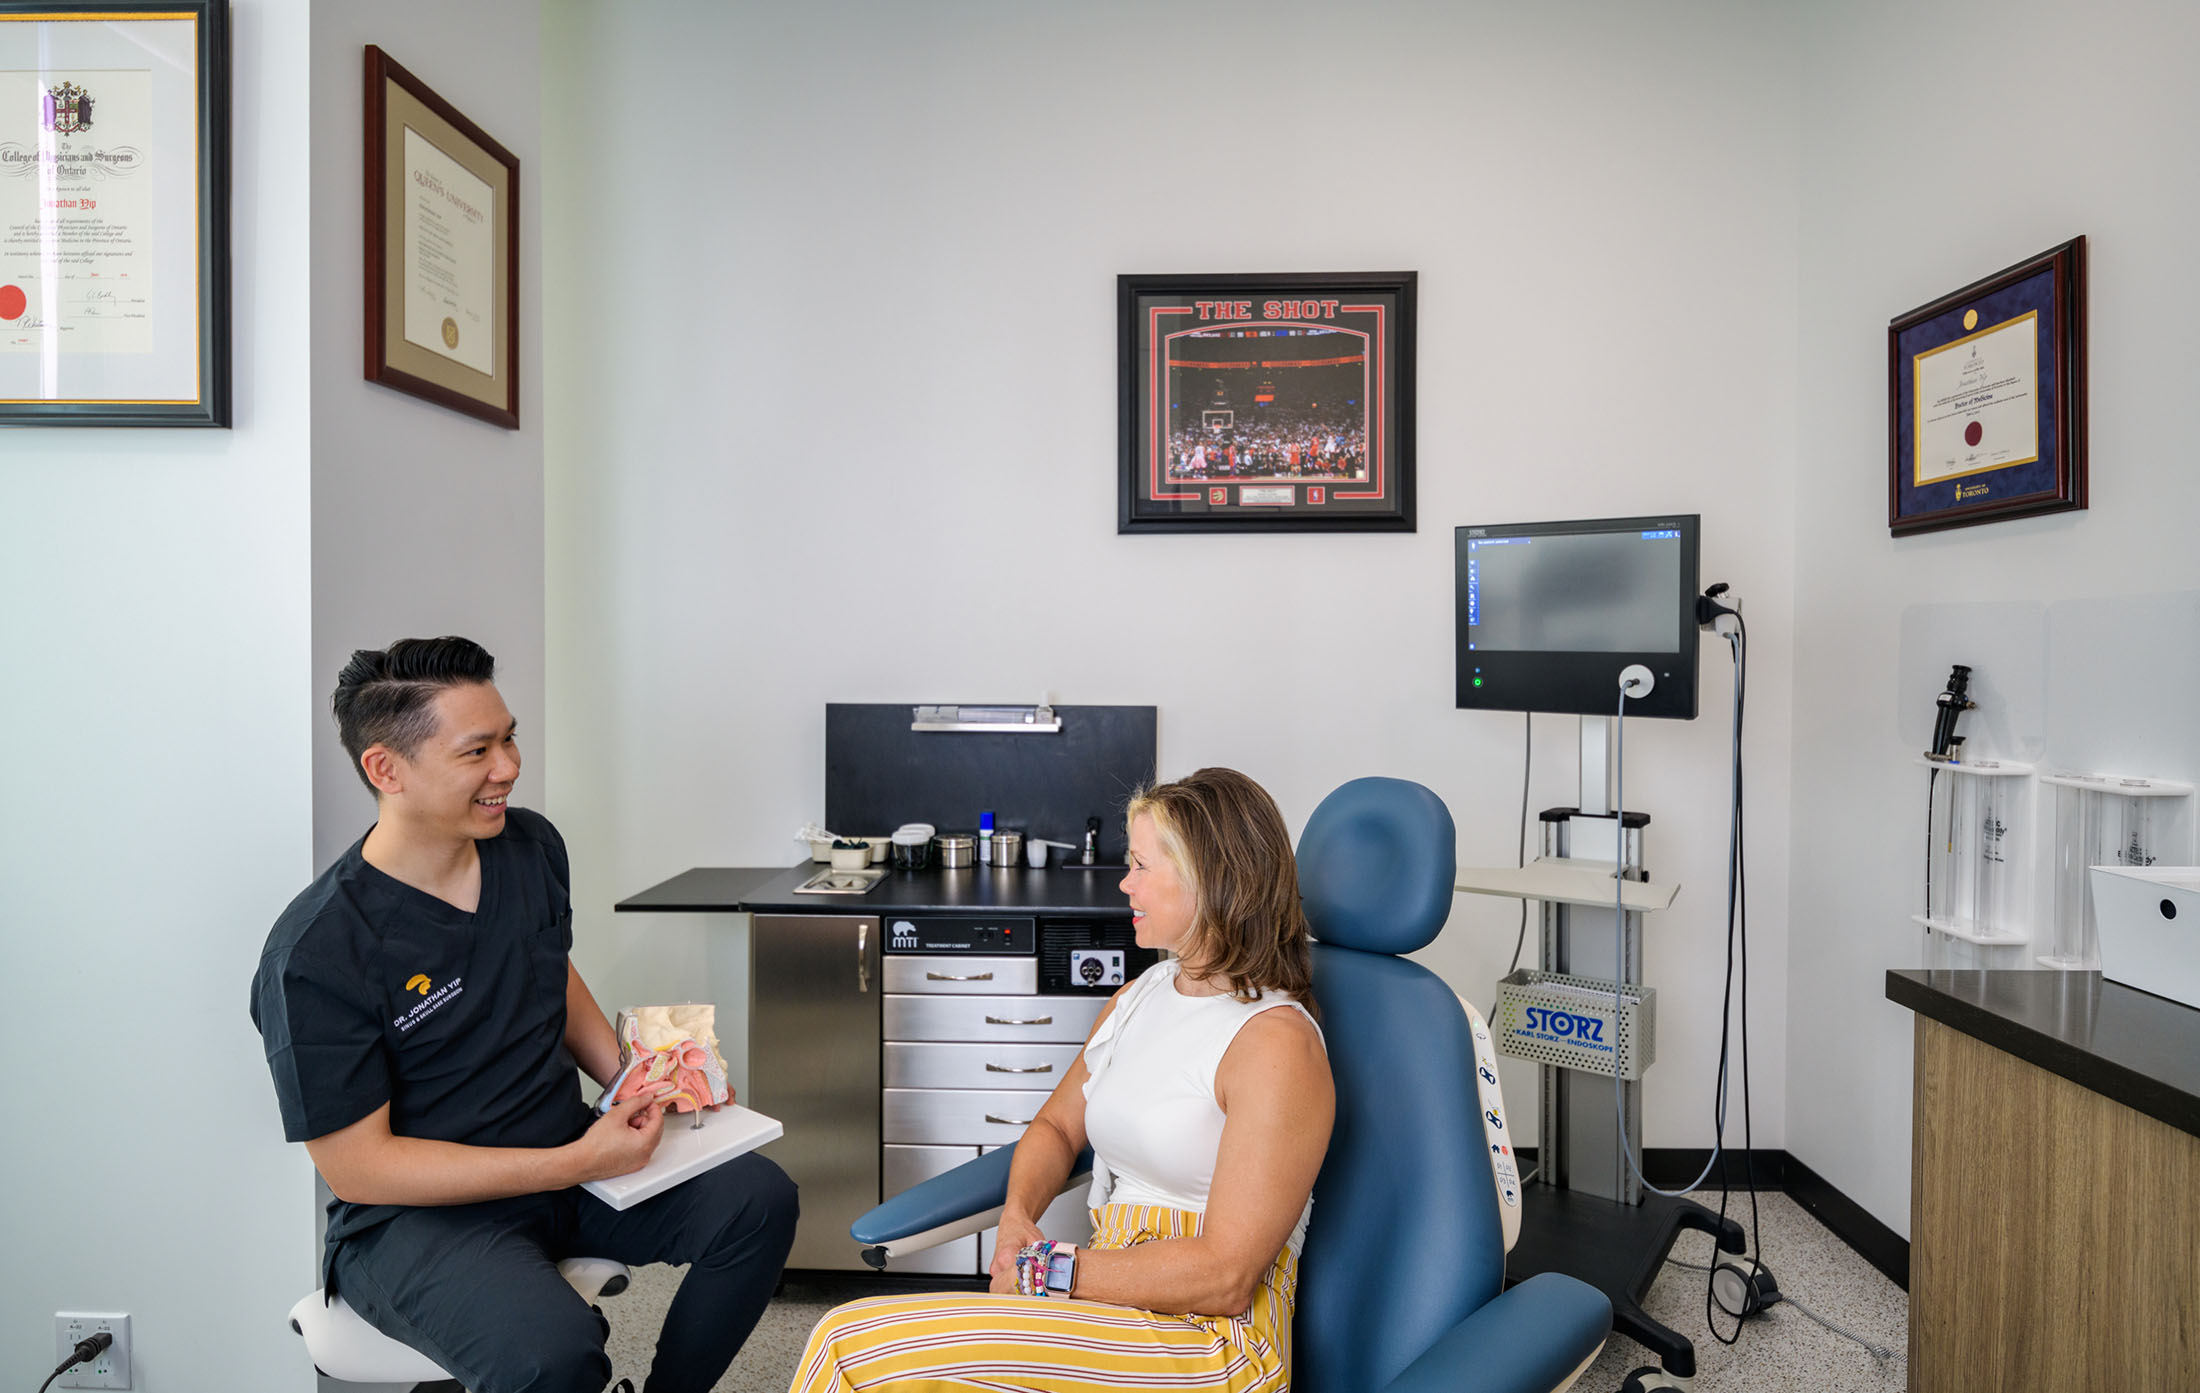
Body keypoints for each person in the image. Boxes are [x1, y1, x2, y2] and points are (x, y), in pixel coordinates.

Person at [250, 636, 797, 1393]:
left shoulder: (530, 847)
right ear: (386, 769)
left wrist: (631, 1079)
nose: (507, 767)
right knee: (554, 1356)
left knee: (758, 1200)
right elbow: (360, 1166)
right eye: (478, 750)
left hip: (564, 1160)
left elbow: (549, 972)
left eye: (509, 738)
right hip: (415, 1222)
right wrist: (578, 1161)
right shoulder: (318, 951)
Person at [788, 767, 1335, 1393]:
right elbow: (1054, 1126)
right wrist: (1018, 1218)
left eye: (1140, 866)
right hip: (1108, 1299)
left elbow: (1226, 1276)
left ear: (1209, 882)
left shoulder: (1275, 1044)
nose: (1124, 884)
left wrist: (1049, 1271)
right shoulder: (1144, 994)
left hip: (1208, 1341)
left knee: (848, 1349)